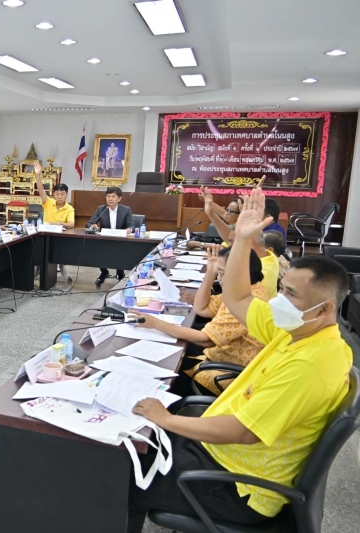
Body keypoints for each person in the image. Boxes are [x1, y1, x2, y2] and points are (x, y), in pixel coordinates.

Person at [128, 186, 352, 533]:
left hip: (239, 484)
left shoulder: (312, 363)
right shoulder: (298, 329)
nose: (279, 300)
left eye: (290, 294)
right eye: (281, 288)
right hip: (222, 453)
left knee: (120, 469)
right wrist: (243, 238)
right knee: (138, 440)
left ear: (324, 309)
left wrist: (166, 420)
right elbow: (238, 299)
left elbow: (243, 432)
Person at [134, 245, 268, 396]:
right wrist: (210, 273)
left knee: (161, 379)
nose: (219, 278)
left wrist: (156, 323)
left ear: (239, 273)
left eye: (222, 273)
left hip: (227, 375)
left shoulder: (247, 302)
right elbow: (201, 309)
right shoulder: (246, 288)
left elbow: (205, 340)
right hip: (218, 358)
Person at [200, 187, 278, 297]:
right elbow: (231, 237)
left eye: (234, 244)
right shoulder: (267, 257)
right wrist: (211, 214)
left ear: (247, 245)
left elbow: (233, 302)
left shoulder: (261, 275)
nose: (230, 247)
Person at [34, 161, 75, 283]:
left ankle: (64, 272)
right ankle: (36, 273)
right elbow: (41, 190)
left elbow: (71, 224)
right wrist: (38, 175)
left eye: (62, 194)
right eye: (57, 194)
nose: (60, 196)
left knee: (59, 254)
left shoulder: (69, 208)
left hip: (59, 238)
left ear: (66, 194)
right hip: (45, 237)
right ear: (54, 194)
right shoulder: (48, 202)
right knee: (40, 254)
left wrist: (60, 224)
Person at [86, 186, 134, 286]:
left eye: (113, 196)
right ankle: (104, 272)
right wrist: (93, 226)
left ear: (119, 199)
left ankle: (120, 272)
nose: (110, 199)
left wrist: (129, 229)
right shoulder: (101, 209)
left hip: (120, 240)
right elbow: (90, 223)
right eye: (108, 196)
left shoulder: (126, 210)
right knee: (97, 250)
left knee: (120, 252)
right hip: (105, 239)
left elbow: (131, 225)